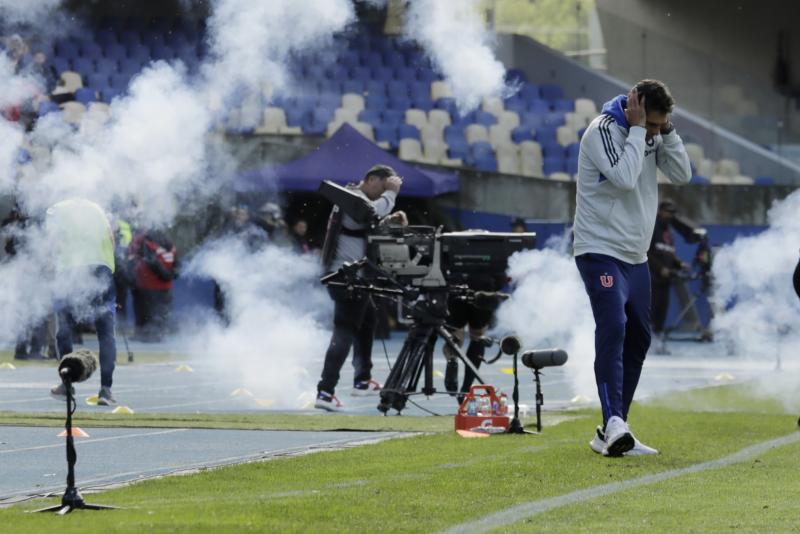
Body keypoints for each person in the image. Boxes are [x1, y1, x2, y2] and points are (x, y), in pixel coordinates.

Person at [572, 79, 692, 456]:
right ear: (633, 108)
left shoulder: (655, 133)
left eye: (662, 125)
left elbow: (683, 175)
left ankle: (611, 431)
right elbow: (623, 179)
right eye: (652, 124)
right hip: (600, 249)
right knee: (614, 326)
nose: (656, 132)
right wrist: (640, 131)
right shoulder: (602, 130)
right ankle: (613, 422)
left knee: (639, 337)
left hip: (635, 257)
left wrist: (665, 132)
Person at [314, 164, 406, 412]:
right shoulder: (353, 196)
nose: (383, 192)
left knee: (368, 322)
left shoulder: (355, 198)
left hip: (356, 278)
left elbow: (367, 224)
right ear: (371, 179)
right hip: (346, 279)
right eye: (383, 186)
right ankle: (325, 391)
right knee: (344, 331)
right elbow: (369, 215)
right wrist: (392, 194)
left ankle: (362, 380)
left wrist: (390, 218)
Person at [45, 198, 119, 406]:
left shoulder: (55, 210)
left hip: (70, 271)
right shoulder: (99, 209)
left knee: (64, 329)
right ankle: (106, 389)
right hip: (101, 270)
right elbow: (112, 241)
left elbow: (51, 243)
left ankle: (67, 384)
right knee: (105, 332)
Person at [647, 199, 705, 353]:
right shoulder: (652, 229)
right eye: (667, 212)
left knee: (661, 312)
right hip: (652, 279)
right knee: (650, 312)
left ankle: (657, 343)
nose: (670, 216)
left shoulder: (669, 232)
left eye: (672, 213)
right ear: (660, 212)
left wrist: (679, 264)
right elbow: (647, 253)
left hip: (665, 280)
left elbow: (669, 253)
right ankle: (647, 344)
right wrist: (660, 269)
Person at [129, 228, 178, 342]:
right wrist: (171, 274)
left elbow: (152, 262)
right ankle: (157, 334)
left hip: (149, 284)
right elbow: (176, 264)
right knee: (160, 311)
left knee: (148, 311)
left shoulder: (148, 244)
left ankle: (149, 335)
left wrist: (165, 274)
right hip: (165, 285)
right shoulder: (172, 246)